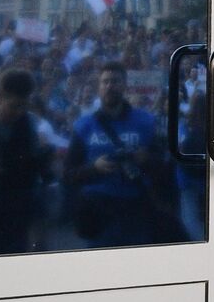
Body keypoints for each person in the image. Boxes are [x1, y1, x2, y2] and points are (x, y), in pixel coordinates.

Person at [63, 61, 162, 247]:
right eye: (105, 82)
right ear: (99, 87)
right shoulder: (84, 125)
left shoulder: (146, 121)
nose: (110, 86)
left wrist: (146, 159)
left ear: (124, 85)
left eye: (115, 81)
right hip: (97, 209)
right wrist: (94, 168)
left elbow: (162, 163)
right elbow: (68, 172)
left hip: (134, 207)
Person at [0, 68, 48, 256]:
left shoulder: (27, 129)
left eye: (23, 106)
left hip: (15, 225)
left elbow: (32, 178)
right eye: (14, 106)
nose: (19, 112)